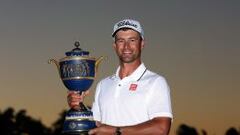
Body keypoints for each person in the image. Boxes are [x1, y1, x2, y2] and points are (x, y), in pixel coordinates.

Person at [68, 19, 173, 135]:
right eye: (121, 41)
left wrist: (115, 131)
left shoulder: (156, 82)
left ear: (142, 44)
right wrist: (78, 108)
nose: (126, 46)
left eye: (132, 40)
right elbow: (96, 127)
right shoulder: (103, 84)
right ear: (115, 45)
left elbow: (161, 128)